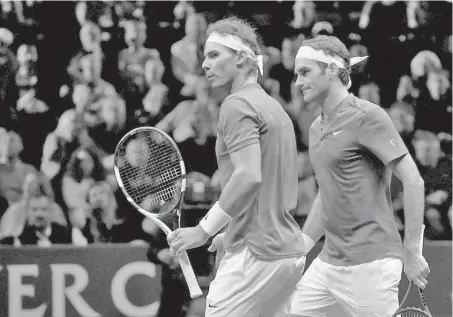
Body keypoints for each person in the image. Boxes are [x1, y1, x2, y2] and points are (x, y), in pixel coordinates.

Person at [167, 16, 306, 317]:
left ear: (242, 58)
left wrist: (203, 230)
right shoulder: (276, 109)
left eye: (215, 55)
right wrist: (228, 232)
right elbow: (268, 186)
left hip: (254, 254)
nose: (205, 65)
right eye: (205, 56)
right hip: (287, 252)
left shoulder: (236, 104)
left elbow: (249, 176)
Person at [289, 35, 430, 317]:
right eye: (296, 74)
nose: (297, 82)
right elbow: (326, 193)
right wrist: (301, 247)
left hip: (372, 265)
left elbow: (414, 181)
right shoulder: (316, 128)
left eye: (305, 72)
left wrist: (412, 251)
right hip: (328, 263)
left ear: (331, 70)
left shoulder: (368, 116)